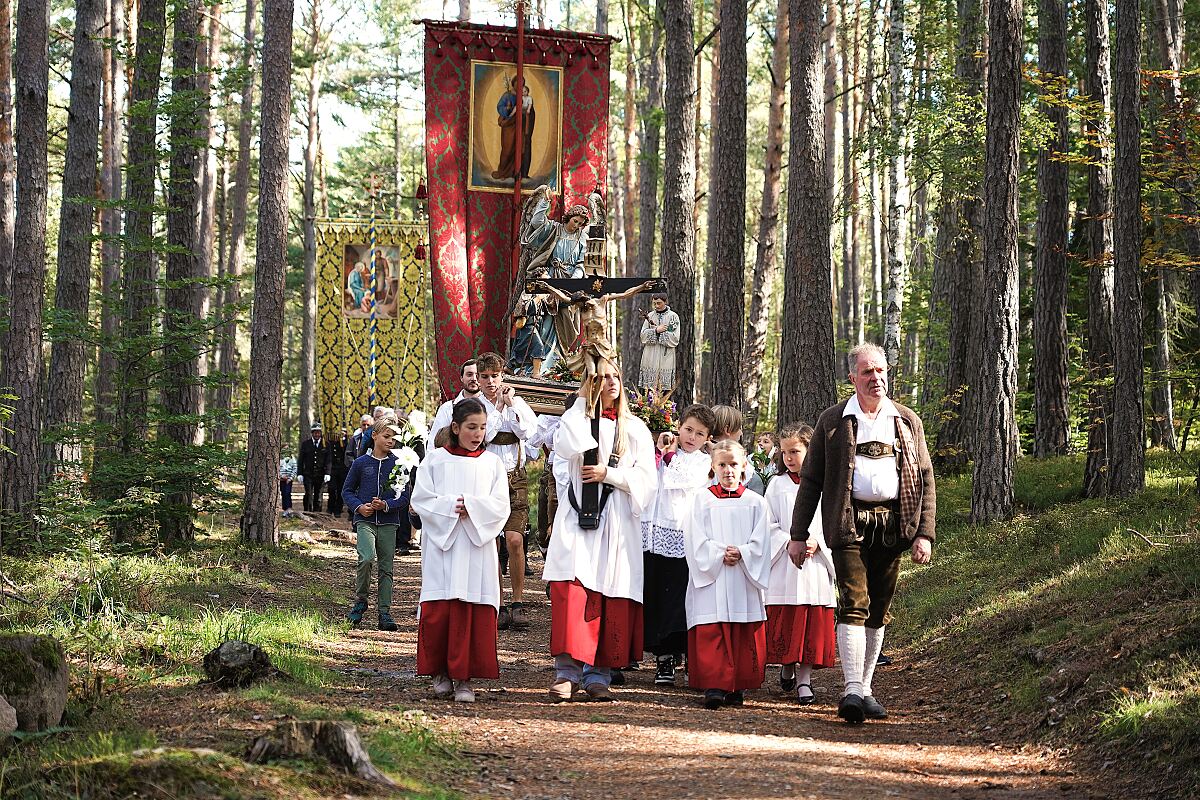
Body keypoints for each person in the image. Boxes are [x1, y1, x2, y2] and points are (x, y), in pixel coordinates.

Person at [789, 342, 936, 724]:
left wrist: (925, 533)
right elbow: (812, 479)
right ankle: (852, 688)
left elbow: (925, 478)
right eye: (868, 372)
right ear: (852, 378)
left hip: (894, 526)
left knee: (879, 610)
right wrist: (798, 533)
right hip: (848, 523)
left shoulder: (906, 420)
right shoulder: (833, 420)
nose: (876, 378)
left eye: (881, 371)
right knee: (854, 601)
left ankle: (865, 689)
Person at [544, 359, 657, 702]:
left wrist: (610, 474)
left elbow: (648, 482)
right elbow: (565, 445)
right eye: (602, 378)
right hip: (579, 520)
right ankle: (567, 673)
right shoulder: (578, 421)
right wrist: (583, 398)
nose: (611, 382)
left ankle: (599, 675)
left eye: (615, 376)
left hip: (617, 522)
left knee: (609, 595)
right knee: (573, 592)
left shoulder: (634, 429)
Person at [411, 399, 511, 703]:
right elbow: (421, 500)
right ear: (455, 428)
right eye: (471, 427)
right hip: (443, 547)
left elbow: (500, 506)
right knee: (440, 608)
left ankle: (465, 678)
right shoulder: (434, 461)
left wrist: (474, 507)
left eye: (482, 427)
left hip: (475, 546)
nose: (478, 433)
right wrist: (452, 507)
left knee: (472, 606)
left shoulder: (492, 463)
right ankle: (440, 673)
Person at [684, 440, 772, 710]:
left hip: (743, 575)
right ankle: (714, 684)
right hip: (713, 574)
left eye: (733, 464)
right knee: (713, 627)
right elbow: (694, 537)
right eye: (722, 465)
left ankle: (737, 684)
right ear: (713, 467)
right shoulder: (701, 499)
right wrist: (718, 553)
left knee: (740, 627)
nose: (728, 470)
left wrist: (744, 552)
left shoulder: (756, 502)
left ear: (744, 466)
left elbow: (763, 541)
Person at [641, 404, 715, 686]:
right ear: (678, 426)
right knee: (656, 595)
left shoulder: (703, 463)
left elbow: (682, 479)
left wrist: (670, 455)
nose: (692, 438)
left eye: (699, 434)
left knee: (676, 600)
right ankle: (662, 658)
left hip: (681, 536)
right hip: (652, 535)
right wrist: (658, 450)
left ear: (707, 437)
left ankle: (678, 655)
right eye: (688, 430)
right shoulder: (663, 451)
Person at [764, 423, 836, 704]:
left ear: (811, 450)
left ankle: (805, 681)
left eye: (795, 451)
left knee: (810, 622)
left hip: (815, 562)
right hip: (784, 563)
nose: (789, 458)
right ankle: (787, 665)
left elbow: (833, 518)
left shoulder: (825, 484)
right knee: (788, 620)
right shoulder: (776, 485)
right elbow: (766, 524)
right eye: (784, 452)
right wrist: (786, 540)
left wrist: (817, 541)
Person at [476, 352, 538, 630]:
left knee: (514, 539)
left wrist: (510, 405)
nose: (491, 382)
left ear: (503, 376)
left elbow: (527, 432)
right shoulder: (473, 406)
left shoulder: (518, 401)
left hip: (515, 477)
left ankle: (518, 601)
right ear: (477, 379)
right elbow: (485, 435)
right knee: (493, 542)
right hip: (486, 479)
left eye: (495, 376)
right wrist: (498, 410)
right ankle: (498, 602)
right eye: (485, 377)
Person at [342, 420, 411, 632]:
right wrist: (359, 507)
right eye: (386, 436)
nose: (390, 441)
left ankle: (384, 612)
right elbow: (347, 491)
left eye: (393, 438)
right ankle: (361, 600)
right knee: (365, 558)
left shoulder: (399, 464)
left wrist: (387, 505)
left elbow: (405, 495)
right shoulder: (361, 463)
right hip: (365, 521)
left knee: (386, 567)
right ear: (374, 435)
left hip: (389, 523)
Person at [709, 406, 765, 495]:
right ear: (727, 430)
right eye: (739, 428)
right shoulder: (744, 469)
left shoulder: (696, 456)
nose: (741, 433)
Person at [429, 358, 482, 446]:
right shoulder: (447, 408)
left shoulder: (491, 405)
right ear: (461, 378)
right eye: (469, 375)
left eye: (477, 375)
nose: (474, 379)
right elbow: (433, 441)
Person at [638, 294, 681, 392]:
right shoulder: (650, 316)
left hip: (666, 356)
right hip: (650, 354)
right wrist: (656, 330)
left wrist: (662, 332)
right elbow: (643, 335)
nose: (656, 306)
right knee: (648, 389)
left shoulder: (673, 317)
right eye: (654, 303)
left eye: (659, 303)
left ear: (665, 302)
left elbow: (675, 338)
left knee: (664, 389)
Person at [298, 422, 330, 513]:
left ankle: (317, 513)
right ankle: (307, 512)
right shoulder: (306, 444)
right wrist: (300, 473)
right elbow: (301, 460)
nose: (317, 434)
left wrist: (328, 473)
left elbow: (328, 460)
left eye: (318, 432)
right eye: (315, 432)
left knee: (318, 495)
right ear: (312, 433)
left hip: (320, 474)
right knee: (308, 494)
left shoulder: (326, 445)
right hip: (308, 474)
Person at [327, 429, 350, 517]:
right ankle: (330, 508)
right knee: (332, 489)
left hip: (343, 468)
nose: (342, 433)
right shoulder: (332, 442)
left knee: (341, 490)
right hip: (333, 468)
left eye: (344, 431)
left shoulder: (348, 442)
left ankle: (338, 510)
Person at [279, 453, 297, 518]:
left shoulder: (292, 458)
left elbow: (295, 468)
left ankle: (289, 508)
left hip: (289, 480)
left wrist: (290, 478)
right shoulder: (279, 457)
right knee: (283, 493)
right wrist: (281, 476)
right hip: (281, 479)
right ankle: (285, 509)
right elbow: (277, 468)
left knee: (287, 493)